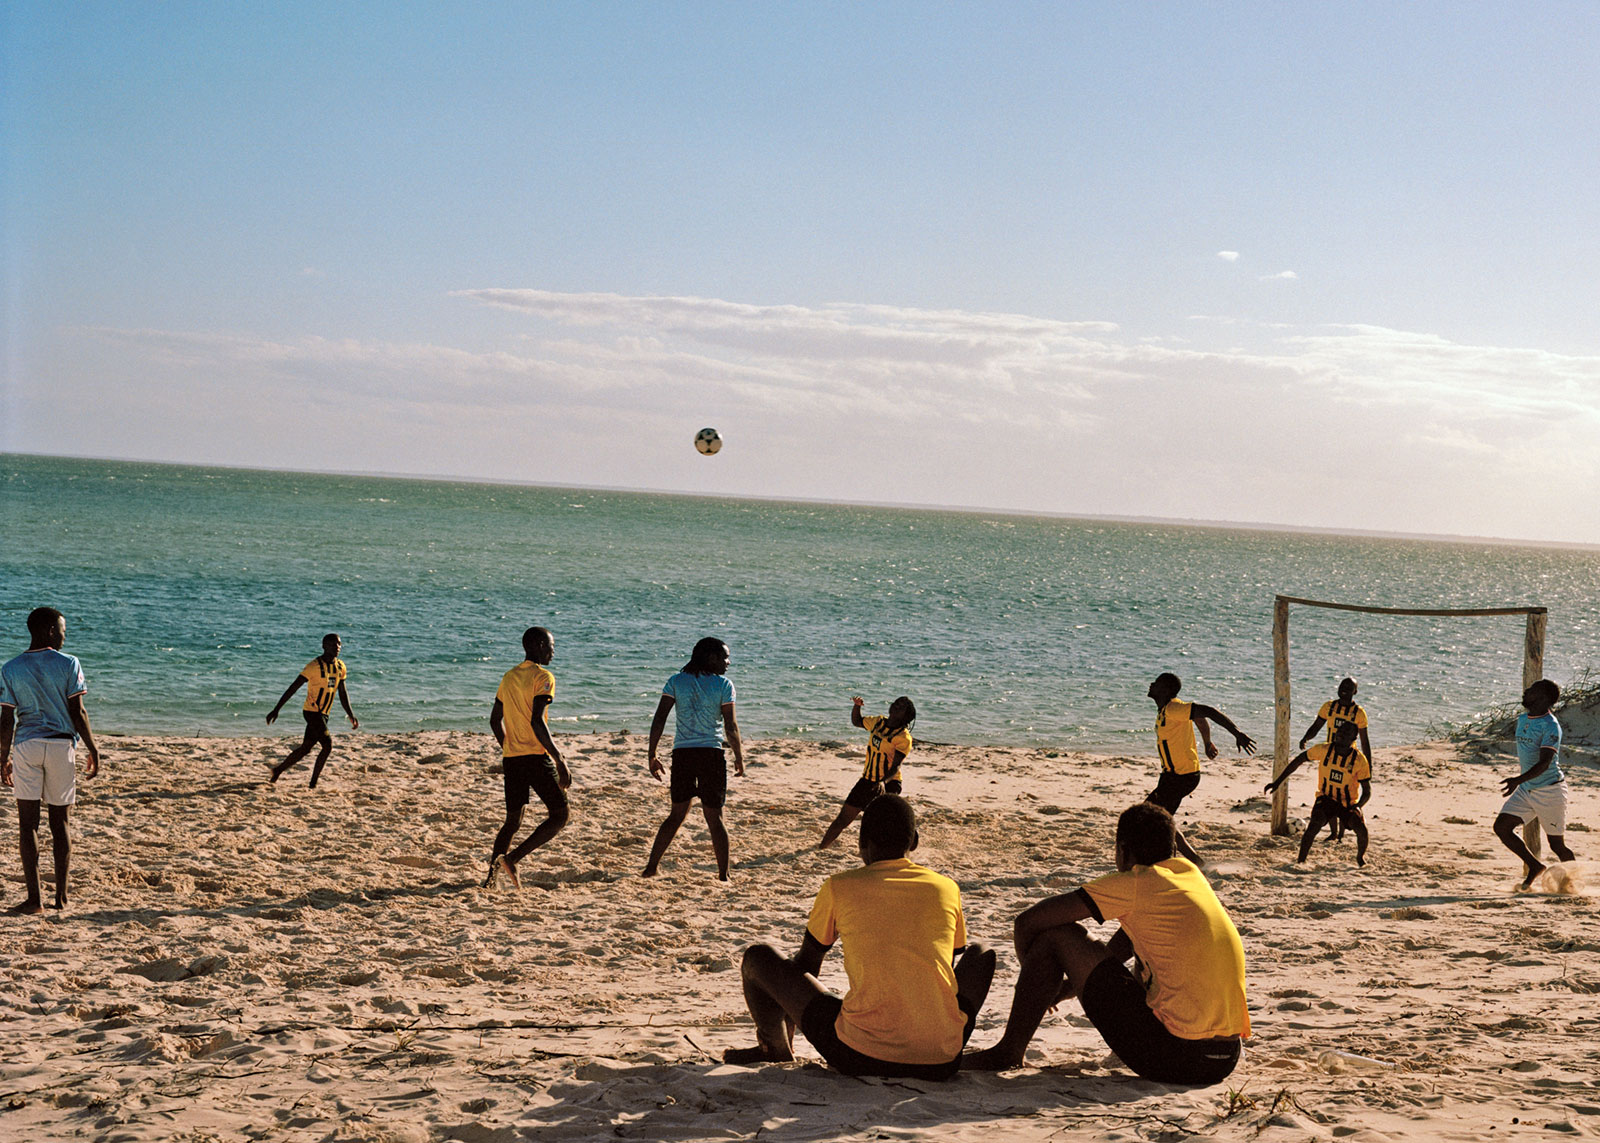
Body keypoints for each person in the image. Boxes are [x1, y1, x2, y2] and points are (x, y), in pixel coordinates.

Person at [965, 803, 1248, 1084]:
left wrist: (1038, 981)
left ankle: (1008, 1051)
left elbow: (1027, 922)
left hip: (1177, 1057)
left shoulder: (1137, 882)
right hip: (1224, 1058)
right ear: (1173, 850)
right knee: (1144, 953)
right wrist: (1065, 988)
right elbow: (1122, 946)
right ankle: (1011, 1046)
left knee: (1054, 936)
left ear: (1122, 852)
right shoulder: (1189, 876)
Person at [724, 795, 995, 1079]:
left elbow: (806, 966)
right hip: (942, 1060)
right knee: (982, 952)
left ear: (861, 844)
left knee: (758, 958)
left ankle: (774, 1047)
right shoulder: (946, 888)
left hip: (860, 1056)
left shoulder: (840, 886)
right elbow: (944, 970)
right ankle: (932, 1039)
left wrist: (790, 1005)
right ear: (914, 841)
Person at [0, 607, 103, 914]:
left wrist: (2, 757)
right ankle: (61, 898)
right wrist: (93, 749)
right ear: (47, 631)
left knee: (28, 825)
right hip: (60, 747)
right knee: (61, 823)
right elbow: (78, 712)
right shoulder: (69, 663)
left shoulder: (11, 667)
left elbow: (6, 719)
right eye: (61, 630)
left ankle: (34, 901)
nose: (63, 635)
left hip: (27, 746)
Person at [643, 638, 744, 880]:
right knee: (715, 817)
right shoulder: (724, 685)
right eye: (725, 657)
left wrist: (652, 754)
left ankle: (651, 867)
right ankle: (724, 875)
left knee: (676, 814)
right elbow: (730, 725)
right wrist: (739, 756)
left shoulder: (676, 681)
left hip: (683, 755)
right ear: (711, 658)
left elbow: (659, 719)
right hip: (711, 754)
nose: (728, 662)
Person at [484, 626, 570, 890]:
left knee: (513, 821)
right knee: (560, 815)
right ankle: (512, 859)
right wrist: (559, 758)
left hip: (513, 759)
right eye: (552, 647)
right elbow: (537, 722)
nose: (554, 652)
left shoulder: (509, 677)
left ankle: (490, 879)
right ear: (540, 646)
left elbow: (494, 720)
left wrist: (508, 746)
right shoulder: (543, 677)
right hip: (535, 757)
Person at [1146, 673, 1256, 863]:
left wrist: (1237, 733)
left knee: (1153, 818)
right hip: (1173, 776)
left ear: (1166, 691)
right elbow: (1199, 719)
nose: (1151, 684)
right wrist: (1207, 742)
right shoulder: (1171, 709)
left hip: (1181, 777)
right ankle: (1193, 861)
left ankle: (1174, 862)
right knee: (1160, 818)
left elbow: (1209, 712)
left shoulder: (1174, 708)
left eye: (1156, 683)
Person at [1493, 679, 1576, 890]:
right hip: (1527, 789)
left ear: (1544, 699)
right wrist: (1521, 783)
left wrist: (1517, 780)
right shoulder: (1523, 719)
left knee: (1557, 845)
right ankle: (1534, 865)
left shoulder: (1551, 726)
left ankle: (1572, 883)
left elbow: (1544, 762)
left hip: (1550, 791)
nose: (1526, 692)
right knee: (1502, 827)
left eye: (1532, 690)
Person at [1264, 719, 1371, 866]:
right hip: (1326, 798)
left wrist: (1359, 806)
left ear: (1353, 739)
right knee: (1313, 826)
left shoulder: (1359, 760)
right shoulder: (1324, 749)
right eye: (1339, 732)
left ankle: (1360, 858)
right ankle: (1301, 862)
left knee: (1361, 830)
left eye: (1346, 734)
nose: (1341, 735)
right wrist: (1277, 782)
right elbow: (1298, 761)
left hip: (1347, 803)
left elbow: (1367, 791)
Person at [818, 695, 916, 849]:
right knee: (842, 819)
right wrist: (857, 706)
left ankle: (910, 839)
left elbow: (896, 766)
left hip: (889, 783)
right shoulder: (878, 722)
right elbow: (857, 721)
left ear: (907, 716)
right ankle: (821, 848)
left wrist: (883, 782)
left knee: (882, 825)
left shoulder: (903, 738)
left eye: (902, 707)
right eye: (896, 703)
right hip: (867, 780)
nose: (897, 706)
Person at [266, 633, 358, 788]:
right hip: (312, 712)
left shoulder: (340, 667)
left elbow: (342, 693)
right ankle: (313, 784)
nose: (337, 647)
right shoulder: (313, 666)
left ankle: (278, 770)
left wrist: (350, 714)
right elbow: (293, 687)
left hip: (324, 714)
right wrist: (276, 709)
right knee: (327, 745)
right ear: (324, 646)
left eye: (339, 644)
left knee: (305, 749)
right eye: (332, 644)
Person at [1298, 678, 1373, 841]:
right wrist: (1306, 738)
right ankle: (1333, 833)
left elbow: (1364, 741)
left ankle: (1341, 832)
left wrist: (1369, 764)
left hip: (1348, 756)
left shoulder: (1358, 713)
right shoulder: (1329, 707)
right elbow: (1316, 726)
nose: (1345, 689)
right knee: (1329, 793)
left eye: (1349, 687)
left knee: (1345, 794)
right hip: (1329, 753)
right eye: (1342, 685)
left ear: (1355, 691)